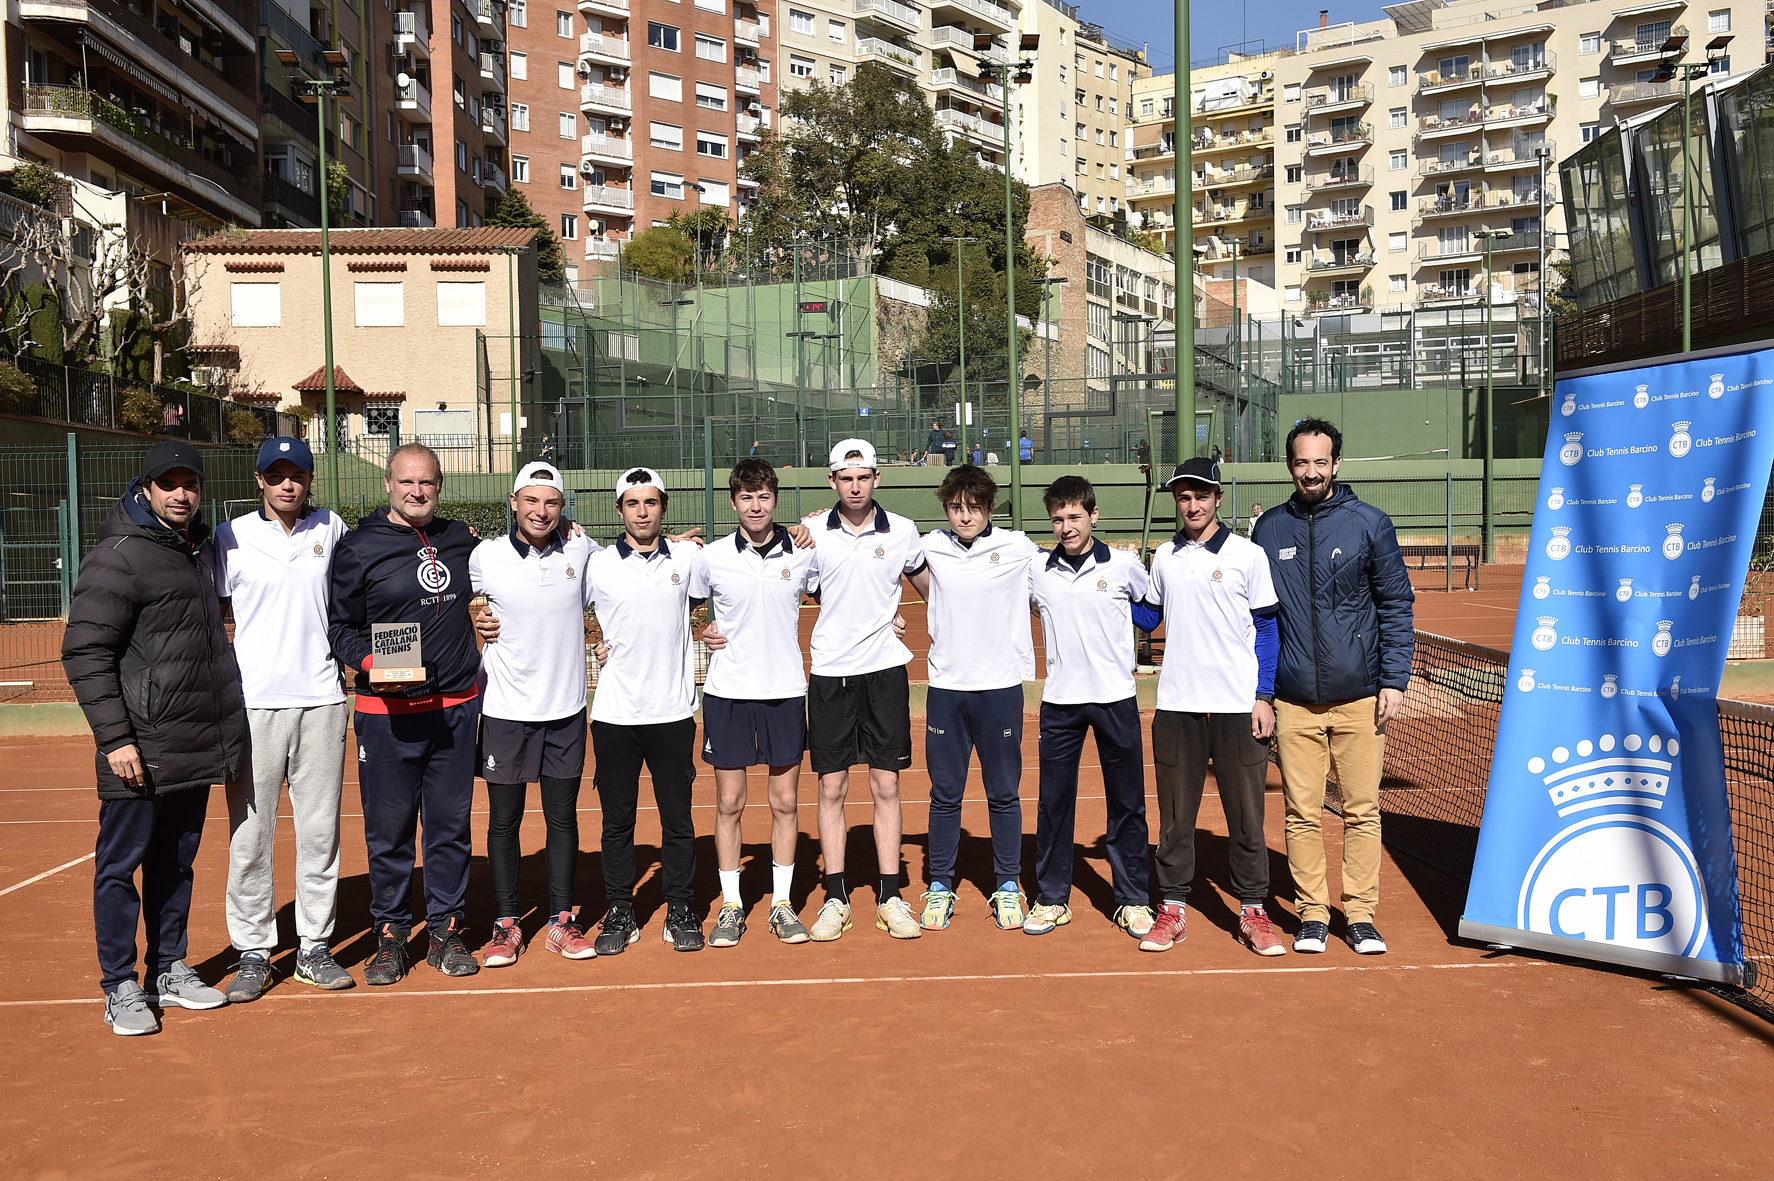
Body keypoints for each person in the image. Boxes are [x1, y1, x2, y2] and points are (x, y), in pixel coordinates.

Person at [63, 440, 246, 1034]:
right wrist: (116, 740)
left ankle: (168, 967)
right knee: (120, 867)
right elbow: (85, 652)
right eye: (168, 484)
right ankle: (119, 985)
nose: (181, 495)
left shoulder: (198, 550)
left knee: (176, 863)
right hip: (138, 748)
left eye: (190, 484)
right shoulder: (119, 555)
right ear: (146, 489)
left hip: (192, 740)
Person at [1252, 418, 1415, 955]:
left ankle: (1360, 916)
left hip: (1361, 696)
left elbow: (1396, 604)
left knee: (1361, 811)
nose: (1311, 472)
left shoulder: (1370, 523)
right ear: (1290, 465)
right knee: (1301, 813)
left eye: (1321, 462)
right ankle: (1313, 915)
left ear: (1337, 464)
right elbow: (1258, 617)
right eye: (1302, 462)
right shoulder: (1269, 529)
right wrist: (1263, 693)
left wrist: (1393, 679)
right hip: (1293, 699)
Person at [328, 443, 483, 984]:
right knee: (389, 833)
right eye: (407, 482)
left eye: (427, 483)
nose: (417, 492)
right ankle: (391, 934)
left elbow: (524, 552)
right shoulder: (358, 547)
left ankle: (446, 930)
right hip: (386, 713)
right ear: (389, 485)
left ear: (439, 486)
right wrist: (372, 661)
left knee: (449, 829)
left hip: (455, 709)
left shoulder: (462, 539)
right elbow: (339, 627)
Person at [215, 437, 354, 1002]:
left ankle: (313, 947)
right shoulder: (230, 537)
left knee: (320, 832)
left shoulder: (331, 528)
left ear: (309, 478)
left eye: (296, 474)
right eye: (276, 475)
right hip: (253, 706)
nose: (287, 484)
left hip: (322, 701)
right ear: (259, 481)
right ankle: (253, 950)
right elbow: (209, 614)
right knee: (251, 835)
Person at [1135, 457, 1285, 956]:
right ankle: (1172, 908)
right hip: (1178, 706)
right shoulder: (1164, 557)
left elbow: (1267, 628)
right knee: (1176, 818)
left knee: (1246, 817)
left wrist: (1263, 696)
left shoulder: (1248, 555)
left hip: (1238, 706)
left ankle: (1253, 911)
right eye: (1184, 496)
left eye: (1201, 495)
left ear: (1218, 497)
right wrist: (1113, 582)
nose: (1193, 505)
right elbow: (1149, 617)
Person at [469, 462, 601, 967]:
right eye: (531, 500)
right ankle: (506, 924)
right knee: (504, 821)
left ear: (562, 507)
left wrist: (674, 543)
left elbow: (626, 567)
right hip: (505, 711)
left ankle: (561, 921)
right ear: (513, 502)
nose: (540, 511)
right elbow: (448, 598)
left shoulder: (581, 550)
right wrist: (474, 618)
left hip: (566, 710)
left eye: (550, 502)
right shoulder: (486, 556)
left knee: (562, 817)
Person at [690, 458, 820, 947]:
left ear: (775, 499)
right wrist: (702, 630)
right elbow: (683, 605)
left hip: (784, 692)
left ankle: (782, 904)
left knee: (785, 801)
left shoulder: (804, 552)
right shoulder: (712, 557)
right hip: (728, 693)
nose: (756, 506)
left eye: (764, 496)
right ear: (733, 503)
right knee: (729, 802)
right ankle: (732, 906)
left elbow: (840, 593)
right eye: (746, 497)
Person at [904, 466, 1040, 931]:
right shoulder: (929, 546)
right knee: (945, 795)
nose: (965, 517)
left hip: (1000, 689)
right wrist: (814, 524)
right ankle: (940, 884)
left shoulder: (1017, 546)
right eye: (956, 508)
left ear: (990, 508)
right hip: (946, 689)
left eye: (975, 508)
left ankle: (1008, 884)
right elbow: (875, 559)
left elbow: (1062, 568)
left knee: (1003, 793)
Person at [803, 439, 927, 941]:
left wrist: (897, 618)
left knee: (886, 786)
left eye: (863, 477)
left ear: (877, 478)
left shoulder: (903, 531)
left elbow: (933, 591)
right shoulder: (810, 532)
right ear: (832, 481)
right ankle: (835, 898)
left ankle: (890, 896)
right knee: (831, 787)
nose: (855, 487)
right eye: (845, 478)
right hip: (830, 673)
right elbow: (791, 585)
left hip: (884, 673)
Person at [582, 466, 710, 954]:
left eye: (650, 502)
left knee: (678, 820)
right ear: (619, 510)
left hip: (673, 713)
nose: (642, 512)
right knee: (617, 823)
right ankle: (620, 909)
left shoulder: (688, 557)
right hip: (615, 715)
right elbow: (555, 606)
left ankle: (680, 907)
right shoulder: (596, 564)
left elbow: (719, 589)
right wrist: (593, 644)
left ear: (663, 507)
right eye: (633, 503)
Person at [1024, 476, 1155, 939]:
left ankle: (1133, 899)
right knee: (1053, 803)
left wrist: (1118, 618)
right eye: (1058, 519)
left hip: (1115, 698)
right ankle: (1051, 898)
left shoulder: (1123, 565)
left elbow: (1151, 611)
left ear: (1094, 516)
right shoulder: (1037, 569)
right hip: (1060, 703)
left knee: (1127, 803)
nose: (1066, 527)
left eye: (1075, 517)